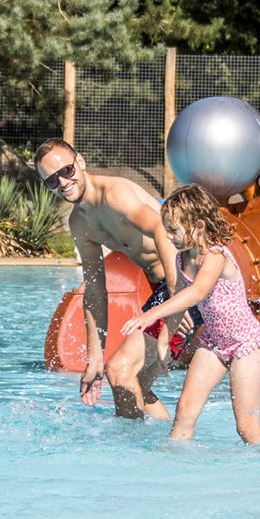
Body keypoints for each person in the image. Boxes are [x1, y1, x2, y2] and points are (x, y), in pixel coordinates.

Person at [34, 138, 201, 420]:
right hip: (165, 287)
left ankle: (130, 445)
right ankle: (167, 443)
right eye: (51, 180)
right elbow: (95, 290)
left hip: (188, 280)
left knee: (120, 370)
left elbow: (162, 230)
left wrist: (177, 297)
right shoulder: (79, 223)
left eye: (66, 171)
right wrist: (94, 358)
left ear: (80, 162)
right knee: (136, 386)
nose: (62, 182)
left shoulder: (114, 195)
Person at [120, 184, 260, 445]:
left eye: (174, 230)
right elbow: (179, 300)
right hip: (213, 342)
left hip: (245, 343)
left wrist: (150, 315)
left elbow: (197, 292)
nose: (169, 236)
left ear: (198, 226)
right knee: (184, 413)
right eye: (167, 230)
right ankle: (173, 464)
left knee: (246, 429)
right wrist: (164, 339)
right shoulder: (182, 258)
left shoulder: (216, 255)